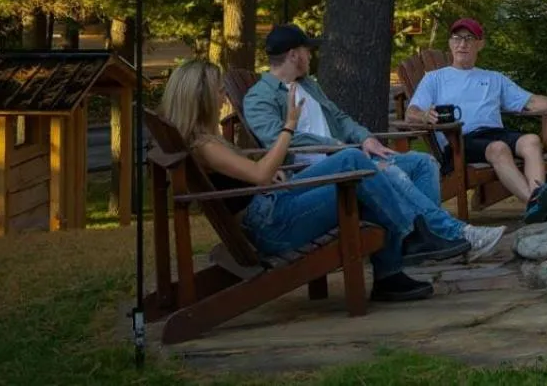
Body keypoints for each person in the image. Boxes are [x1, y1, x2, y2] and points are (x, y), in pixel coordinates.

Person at [160, 59, 467, 303]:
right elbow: (260, 175)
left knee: (352, 162)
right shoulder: (205, 146)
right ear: (200, 97)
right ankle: (409, 238)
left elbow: (253, 175)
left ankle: (393, 271)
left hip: (271, 203)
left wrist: (264, 172)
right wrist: (289, 126)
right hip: (272, 225)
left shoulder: (204, 140)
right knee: (358, 179)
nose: (222, 95)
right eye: (217, 89)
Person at [243, 24, 505, 259]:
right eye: (307, 50)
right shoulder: (259, 97)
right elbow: (279, 140)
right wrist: (339, 148)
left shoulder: (309, 86)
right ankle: (456, 233)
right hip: (308, 177)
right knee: (387, 171)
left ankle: (427, 241)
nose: (311, 55)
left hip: (346, 157)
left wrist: (364, 138)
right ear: (293, 55)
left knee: (422, 163)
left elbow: (340, 118)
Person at [403, 17, 547, 224]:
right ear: (450, 43)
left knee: (531, 140)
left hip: (495, 134)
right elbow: (411, 113)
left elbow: (530, 101)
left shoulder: (494, 78)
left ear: (480, 44)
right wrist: (424, 115)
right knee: (499, 149)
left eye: (469, 38)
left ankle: (539, 200)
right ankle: (535, 202)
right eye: (457, 38)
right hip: (460, 141)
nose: (462, 44)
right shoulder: (434, 78)